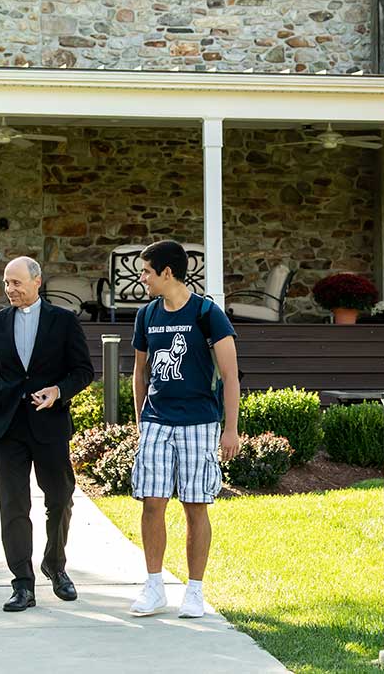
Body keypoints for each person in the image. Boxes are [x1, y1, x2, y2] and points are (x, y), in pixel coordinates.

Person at [0, 256, 94, 612]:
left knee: (60, 497)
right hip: (6, 425)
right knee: (13, 505)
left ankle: (55, 565)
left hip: (49, 425)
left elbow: (83, 371)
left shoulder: (64, 321)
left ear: (37, 281)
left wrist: (58, 391)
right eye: (7, 283)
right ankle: (22, 583)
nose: (10, 289)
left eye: (17, 283)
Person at [128, 240, 240, 618]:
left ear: (167, 272)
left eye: (146, 271)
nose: (142, 278)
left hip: (200, 423)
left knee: (195, 506)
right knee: (151, 503)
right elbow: (140, 372)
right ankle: (154, 585)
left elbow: (230, 375)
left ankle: (194, 591)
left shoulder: (208, 313)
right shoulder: (146, 315)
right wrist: (141, 421)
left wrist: (230, 430)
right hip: (157, 422)